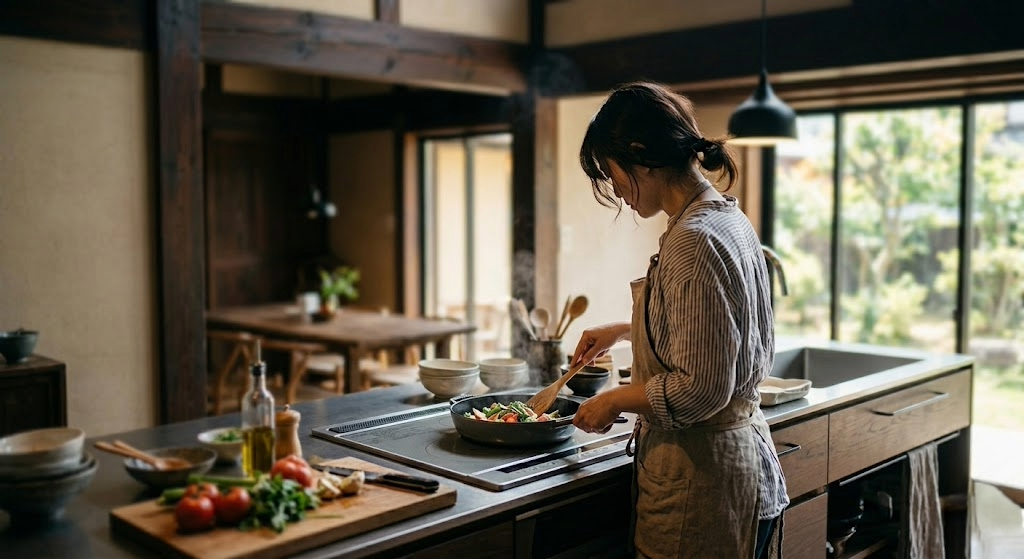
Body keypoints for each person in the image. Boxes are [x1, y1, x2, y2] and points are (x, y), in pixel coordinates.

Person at [569, 81, 789, 558]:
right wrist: (628, 329)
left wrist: (616, 400)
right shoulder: (726, 217)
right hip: (740, 472)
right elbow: (718, 325)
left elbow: (702, 388)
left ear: (640, 155)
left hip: (703, 491)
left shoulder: (693, 238)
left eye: (612, 173)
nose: (616, 191)